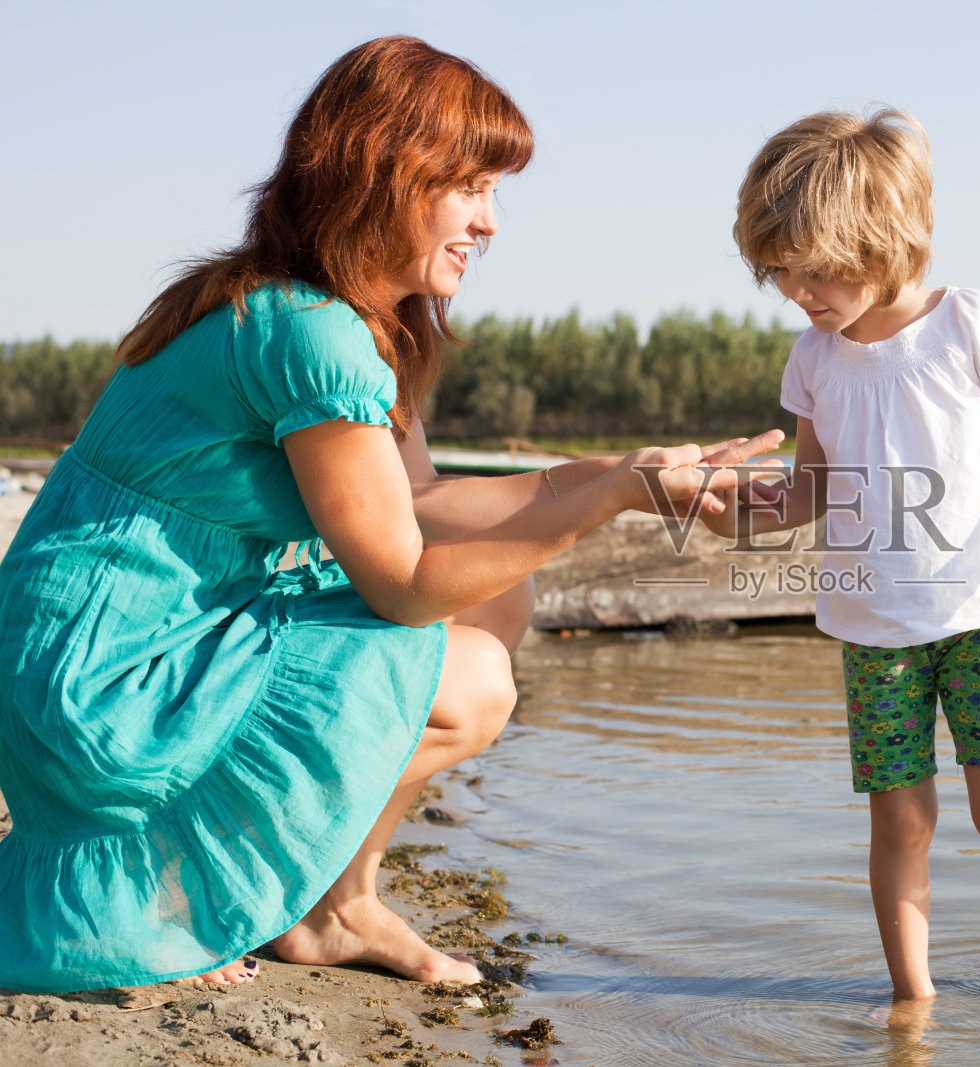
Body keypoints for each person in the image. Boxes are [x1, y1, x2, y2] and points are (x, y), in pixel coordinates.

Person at [0, 36, 780, 995]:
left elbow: (420, 505)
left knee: (500, 599)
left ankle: (339, 901)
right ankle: (195, 891)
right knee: (474, 679)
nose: (491, 223)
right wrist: (607, 507)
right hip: (103, 672)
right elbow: (405, 583)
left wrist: (634, 471)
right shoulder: (308, 331)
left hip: (138, 627)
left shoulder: (352, 318)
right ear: (388, 174)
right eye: (474, 189)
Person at [708, 108, 980, 1002]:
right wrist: (724, 513)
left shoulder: (968, 323)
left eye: (815, 268)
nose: (797, 289)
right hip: (874, 627)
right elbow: (808, 489)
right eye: (780, 271)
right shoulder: (813, 359)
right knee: (903, 820)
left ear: (880, 239)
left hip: (978, 615)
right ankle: (912, 1000)